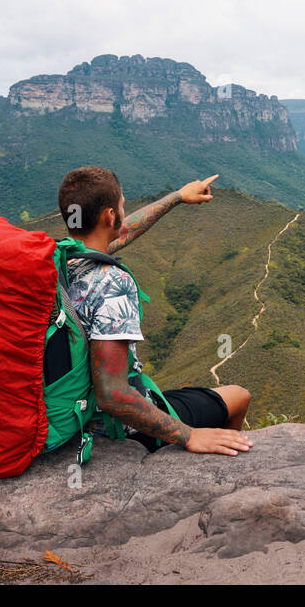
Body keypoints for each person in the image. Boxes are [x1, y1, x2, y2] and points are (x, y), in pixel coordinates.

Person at [57, 165, 253, 456]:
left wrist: (177, 197)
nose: (124, 213)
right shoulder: (113, 283)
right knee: (238, 396)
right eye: (122, 205)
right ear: (110, 215)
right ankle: (223, 462)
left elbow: (122, 233)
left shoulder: (58, 260)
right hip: (115, 428)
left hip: (70, 411)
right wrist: (189, 436)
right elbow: (112, 394)